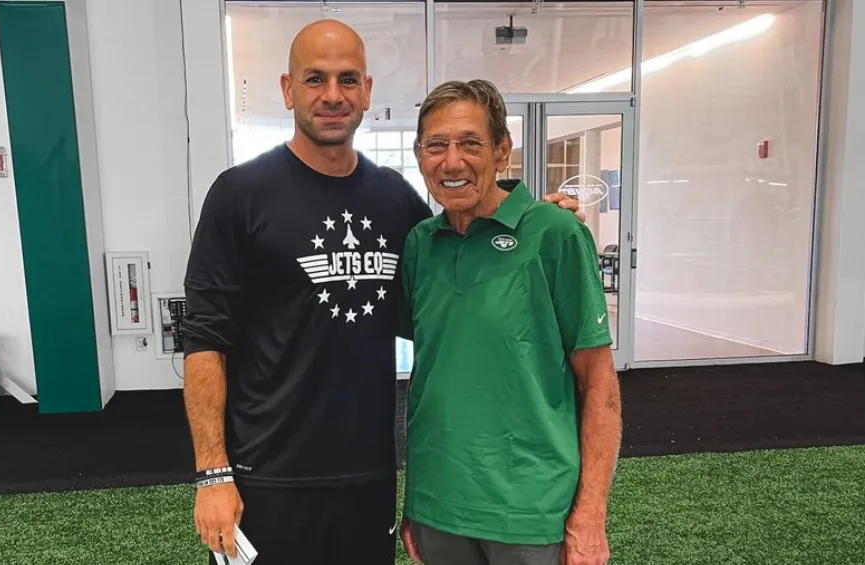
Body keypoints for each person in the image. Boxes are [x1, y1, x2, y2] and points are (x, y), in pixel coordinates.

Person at [180, 20, 584, 565]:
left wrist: (536, 220)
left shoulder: (393, 199)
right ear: (287, 89)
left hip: (368, 478)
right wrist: (212, 473)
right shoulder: (240, 195)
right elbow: (205, 340)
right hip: (266, 479)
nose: (331, 95)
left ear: (367, 91)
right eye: (314, 79)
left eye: (348, 80)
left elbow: (459, 243)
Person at [398, 79, 622, 565]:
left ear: (502, 150)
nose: (451, 161)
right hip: (440, 507)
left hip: (530, 512)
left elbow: (599, 384)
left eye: (470, 143)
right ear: (419, 155)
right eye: (436, 145)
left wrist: (590, 514)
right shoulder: (419, 244)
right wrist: (414, 503)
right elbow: (436, 372)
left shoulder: (556, 234)